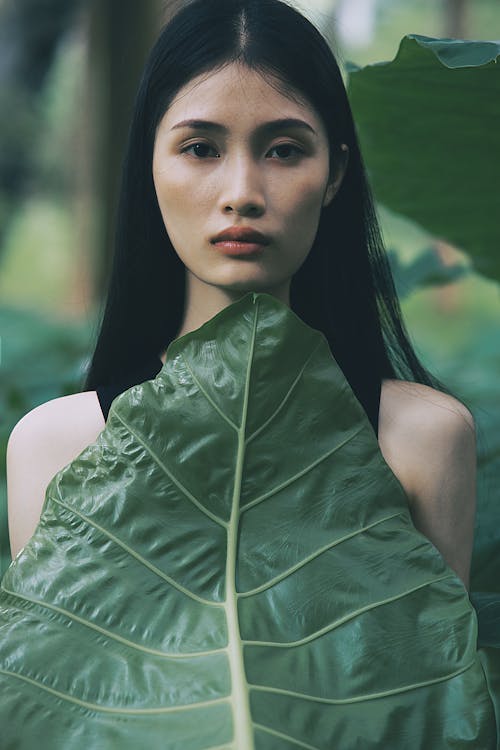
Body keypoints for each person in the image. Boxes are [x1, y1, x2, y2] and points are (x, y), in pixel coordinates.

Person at [3, 0, 497, 747]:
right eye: (200, 148)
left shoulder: (423, 438)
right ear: (149, 165)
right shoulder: (54, 445)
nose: (241, 191)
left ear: (334, 173)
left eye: (284, 149)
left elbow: (429, 710)